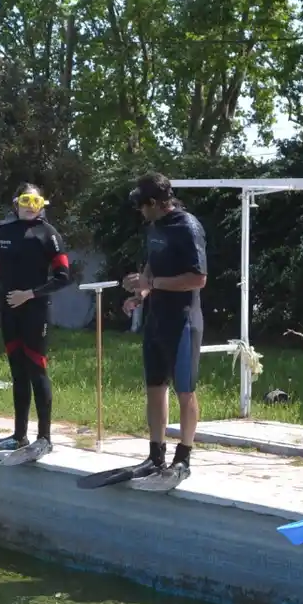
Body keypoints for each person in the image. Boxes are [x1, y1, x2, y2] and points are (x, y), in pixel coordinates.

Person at [118, 172, 207, 492]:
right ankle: (156, 454)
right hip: (157, 318)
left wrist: (151, 285)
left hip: (183, 320)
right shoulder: (154, 226)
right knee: (155, 387)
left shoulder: (187, 227)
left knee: (185, 390)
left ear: (155, 203)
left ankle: (183, 457)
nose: (140, 212)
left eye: (142, 206)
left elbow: (198, 279)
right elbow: (151, 266)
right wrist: (140, 294)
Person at [0, 183, 73, 463]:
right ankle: (19, 434)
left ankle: (44, 437)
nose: (30, 205)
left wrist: (29, 294)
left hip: (35, 312)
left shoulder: (48, 234)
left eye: (35, 200)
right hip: (9, 313)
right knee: (17, 372)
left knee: (36, 369)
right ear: (15, 202)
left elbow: (63, 276)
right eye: (24, 200)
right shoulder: (2, 232)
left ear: (42, 203)